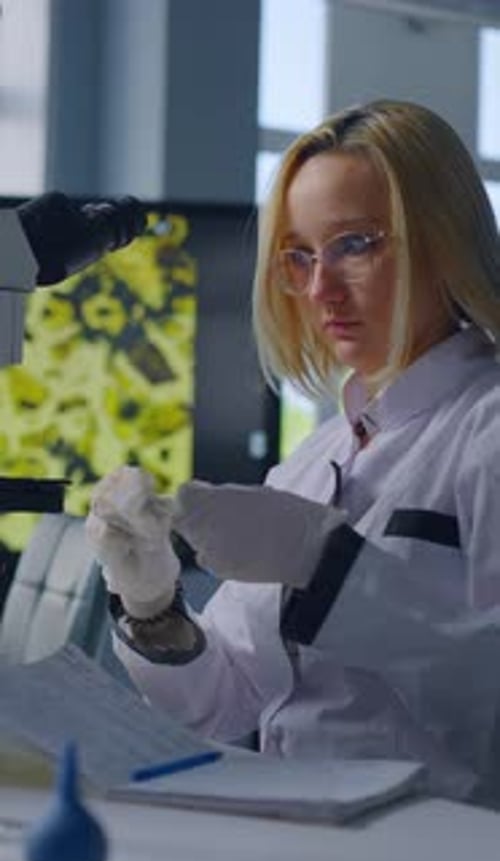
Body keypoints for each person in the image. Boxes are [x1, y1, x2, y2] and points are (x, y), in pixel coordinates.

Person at [86, 98, 500, 806]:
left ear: (445, 239)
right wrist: (152, 605)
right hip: (302, 838)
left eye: (356, 245)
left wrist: (328, 565)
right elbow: (226, 701)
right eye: (300, 257)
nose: (320, 289)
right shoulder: (316, 458)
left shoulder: (486, 430)